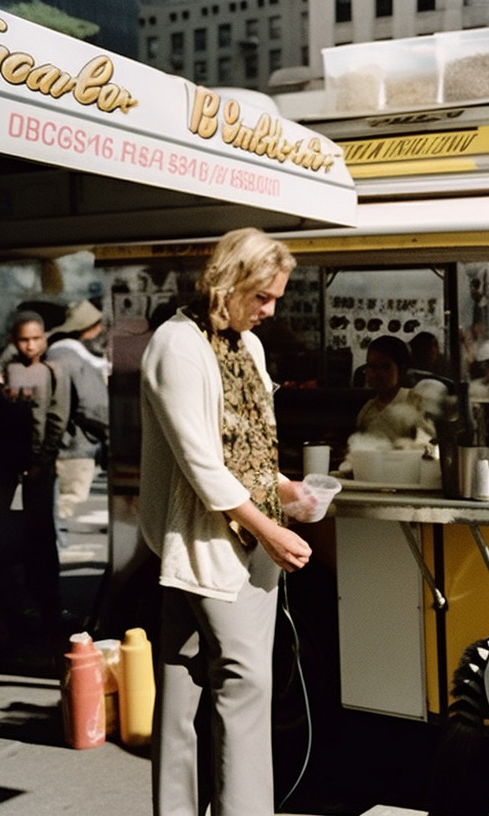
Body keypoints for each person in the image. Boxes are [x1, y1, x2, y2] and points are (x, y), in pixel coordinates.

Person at [139, 227, 314, 814]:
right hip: (212, 544)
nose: (269, 310)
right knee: (244, 689)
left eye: (276, 299)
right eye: (262, 297)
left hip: (218, 543)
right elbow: (201, 463)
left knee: (185, 687)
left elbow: (255, 446)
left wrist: (287, 490)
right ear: (229, 282)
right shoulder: (177, 344)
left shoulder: (247, 344)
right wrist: (268, 528)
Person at [0, 310, 70, 635]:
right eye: (23, 339)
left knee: (41, 535)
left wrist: (43, 460)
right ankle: (15, 603)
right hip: (8, 465)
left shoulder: (54, 372)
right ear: (13, 341)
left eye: (36, 338)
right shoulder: (6, 372)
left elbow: (58, 418)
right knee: (7, 535)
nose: (30, 345)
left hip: (39, 470)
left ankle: (48, 604)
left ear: (45, 338)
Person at [46, 300, 110, 527]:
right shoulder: (74, 360)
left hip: (60, 442)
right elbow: (94, 406)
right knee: (66, 503)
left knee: (55, 504)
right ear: (90, 328)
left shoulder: (54, 353)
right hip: (74, 444)